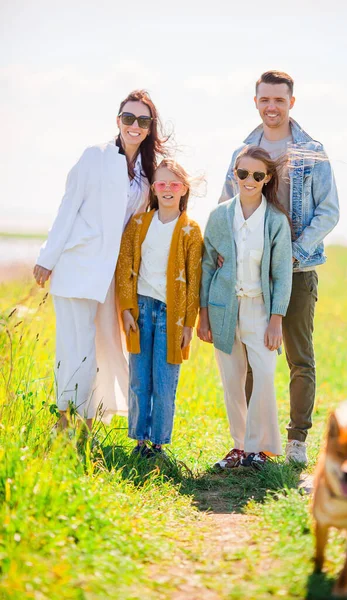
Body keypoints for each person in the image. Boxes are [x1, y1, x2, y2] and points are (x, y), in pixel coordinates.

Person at [219, 71, 340, 464]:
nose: (272, 107)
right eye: (265, 100)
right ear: (256, 101)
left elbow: (329, 211)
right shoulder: (243, 150)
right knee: (256, 354)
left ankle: (296, 440)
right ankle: (257, 440)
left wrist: (294, 252)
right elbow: (227, 205)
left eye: (280, 100)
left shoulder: (311, 149)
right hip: (251, 272)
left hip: (299, 271)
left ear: (291, 102)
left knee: (299, 357)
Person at [33, 89, 167, 429]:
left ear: (150, 127)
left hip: (111, 276)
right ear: (118, 121)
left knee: (107, 347)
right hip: (77, 267)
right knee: (75, 347)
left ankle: (90, 423)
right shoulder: (95, 156)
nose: (134, 126)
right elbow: (69, 206)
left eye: (142, 120)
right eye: (128, 118)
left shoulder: (147, 174)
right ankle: (64, 422)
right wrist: (47, 257)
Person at [198, 145, 292, 468]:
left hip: (260, 310)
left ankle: (259, 448)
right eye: (242, 173)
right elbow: (208, 266)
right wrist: (203, 315)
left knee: (264, 374)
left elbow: (281, 274)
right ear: (234, 175)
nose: (248, 180)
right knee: (231, 379)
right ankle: (239, 447)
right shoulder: (220, 216)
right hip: (223, 309)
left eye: (256, 175)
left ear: (266, 179)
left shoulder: (276, 221)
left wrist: (276, 319)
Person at [116, 159, 203, 457]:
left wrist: (189, 325)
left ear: (184, 189)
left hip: (172, 315)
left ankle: (158, 443)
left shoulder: (191, 231)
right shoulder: (139, 224)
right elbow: (125, 267)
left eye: (174, 184)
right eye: (162, 183)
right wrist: (126, 308)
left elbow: (194, 282)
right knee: (140, 379)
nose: (168, 189)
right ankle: (139, 440)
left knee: (164, 383)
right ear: (153, 188)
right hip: (140, 309)